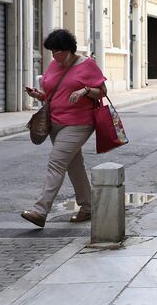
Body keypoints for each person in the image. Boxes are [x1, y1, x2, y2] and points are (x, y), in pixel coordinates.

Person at [21, 29, 108, 227]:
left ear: (69, 49)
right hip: (55, 122)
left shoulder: (87, 65)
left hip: (79, 123)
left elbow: (102, 91)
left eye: (58, 51)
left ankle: (40, 210)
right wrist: (38, 95)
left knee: (56, 162)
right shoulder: (54, 65)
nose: (54, 56)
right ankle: (88, 207)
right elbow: (52, 93)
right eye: (52, 51)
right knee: (74, 165)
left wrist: (85, 90)